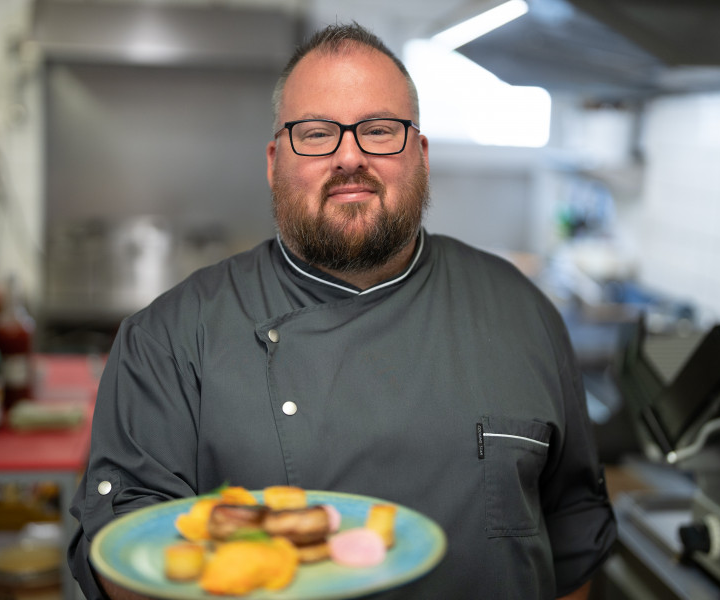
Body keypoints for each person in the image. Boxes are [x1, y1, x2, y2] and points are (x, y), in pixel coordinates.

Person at [68, 22, 616, 600]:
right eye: (316, 133)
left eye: (380, 130)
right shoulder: (170, 339)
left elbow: (573, 539)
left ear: (421, 155)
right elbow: (122, 555)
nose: (350, 156)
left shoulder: (521, 311)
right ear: (274, 161)